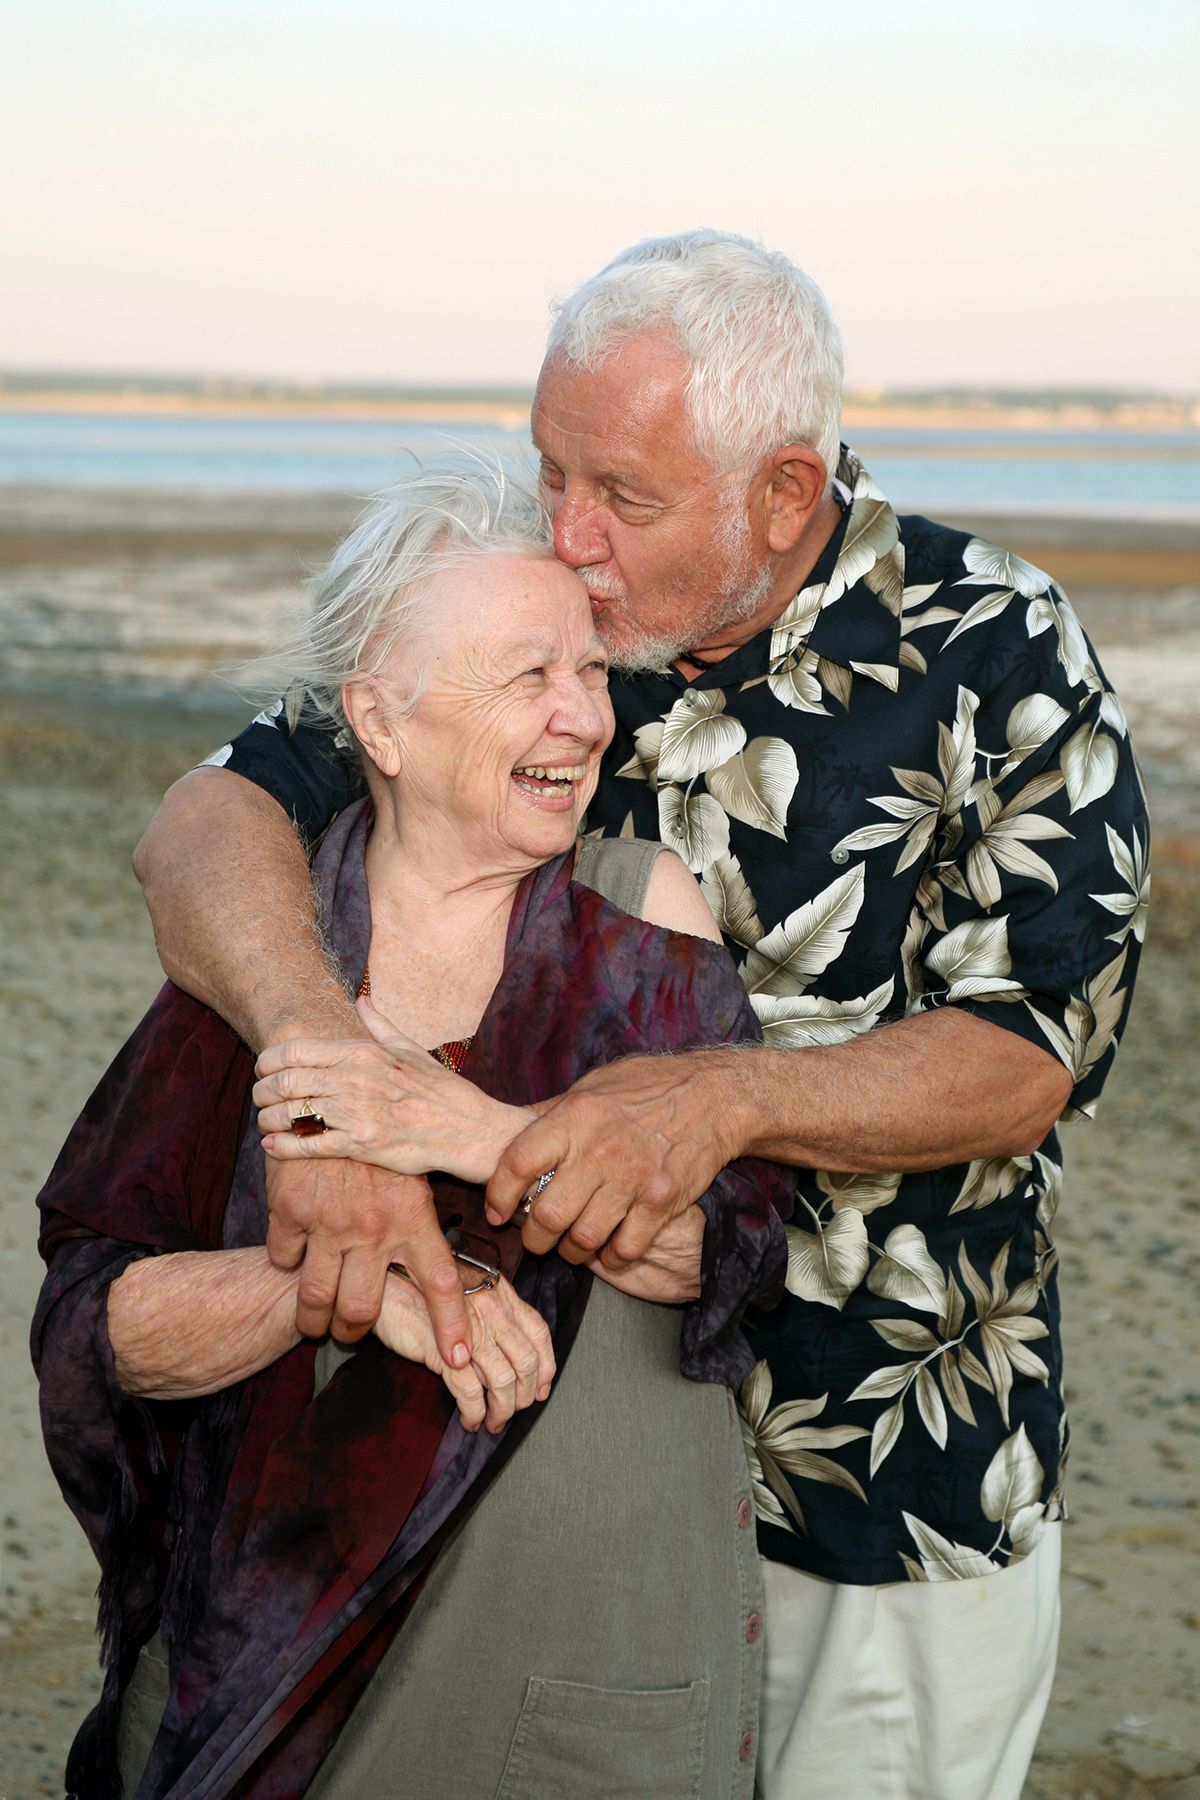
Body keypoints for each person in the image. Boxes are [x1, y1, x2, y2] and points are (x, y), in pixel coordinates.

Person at [134, 231, 1150, 1799]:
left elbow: (1030, 1052)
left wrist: (718, 1100)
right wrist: (317, 1064)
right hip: (531, 1476)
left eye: (623, 498)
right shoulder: (538, 620)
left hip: (877, 1478)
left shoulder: (997, 646)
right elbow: (208, 822)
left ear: (786, 494)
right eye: (552, 472)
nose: (570, 535)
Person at [33, 459, 791, 1799]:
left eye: (591, 671)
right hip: (256, 1667)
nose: (586, 720)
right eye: (529, 679)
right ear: (380, 723)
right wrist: (340, 1294)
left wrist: (461, 1127)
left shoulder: (640, 920)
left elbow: (713, 1261)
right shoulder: (270, 954)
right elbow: (97, 1326)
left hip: (566, 1685)